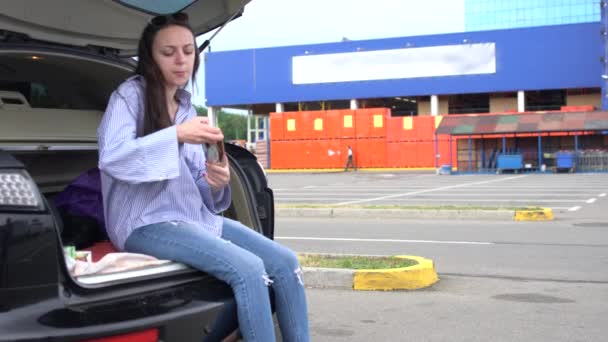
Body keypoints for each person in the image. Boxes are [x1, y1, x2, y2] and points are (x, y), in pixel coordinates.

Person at [97, 12, 309, 342]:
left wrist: (215, 183)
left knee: (285, 263)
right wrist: (176, 134)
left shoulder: (185, 106)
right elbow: (113, 157)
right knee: (249, 270)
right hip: (145, 222)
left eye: (188, 50)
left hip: (193, 217)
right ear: (151, 58)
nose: (181, 60)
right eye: (168, 53)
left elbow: (198, 182)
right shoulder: (129, 97)